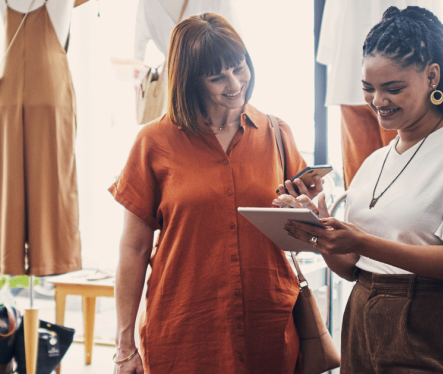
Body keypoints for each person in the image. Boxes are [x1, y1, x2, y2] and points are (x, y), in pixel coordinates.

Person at [280, 6, 443, 373]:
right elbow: (352, 268)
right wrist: (318, 229)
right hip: (362, 321)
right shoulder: (376, 161)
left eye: (393, 88)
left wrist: (360, 241)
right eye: (368, 89)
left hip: (437, 324)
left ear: (432, 77)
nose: (378, 101)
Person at [109, 13, 322, 374]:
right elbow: (134, 249)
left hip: (269, 325)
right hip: (185, 331)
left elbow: (306, 237)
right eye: (217, 76)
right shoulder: (153, 142)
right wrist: (124, 346)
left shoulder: (276, 133)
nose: (235, 83)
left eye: (239, 68)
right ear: (191, 80)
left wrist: (306, 205)